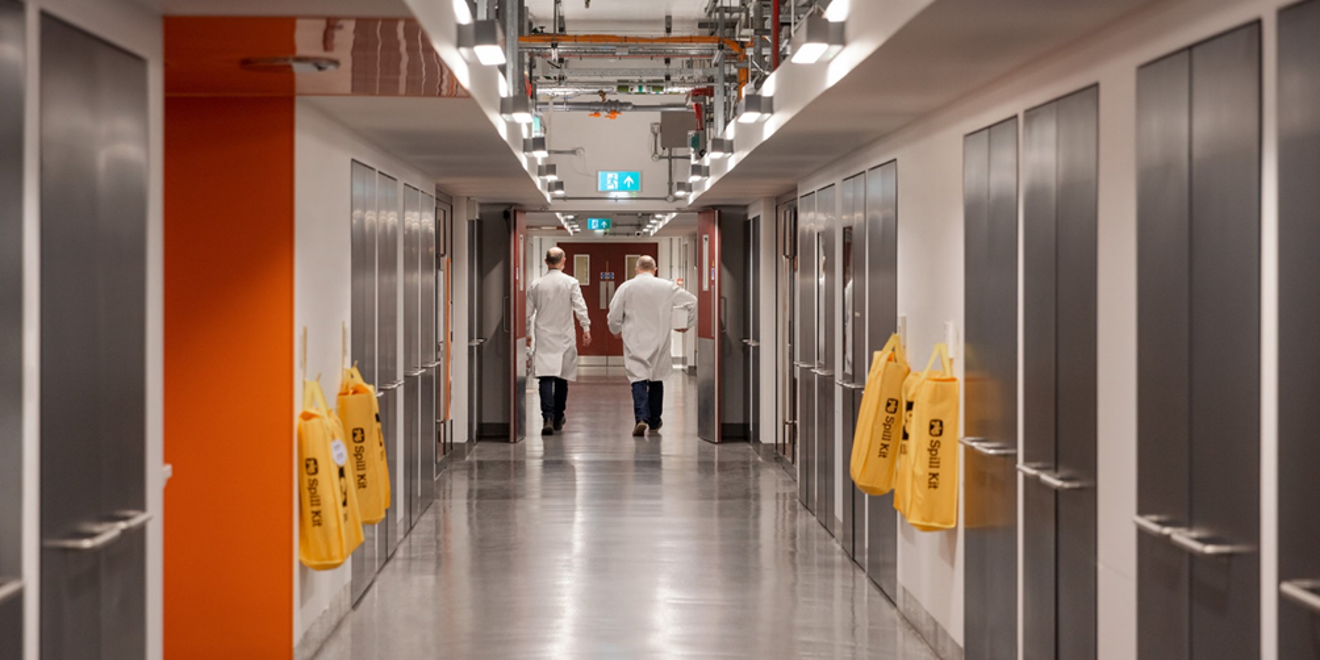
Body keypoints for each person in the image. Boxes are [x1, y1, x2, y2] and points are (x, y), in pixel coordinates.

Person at [607, 255, 698, 436]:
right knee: (656, 380)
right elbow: (692, 301)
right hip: (659, 340)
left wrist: (615, 329)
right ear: (654, 269)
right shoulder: (667, 287)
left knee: (638, 379)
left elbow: (614, 313)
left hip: (635, 340)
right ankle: (655, 421)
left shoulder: (626, 287)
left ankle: (641, 418)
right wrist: (687, 324)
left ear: (636, 269)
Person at [527, 247, 592, 435]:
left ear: (546, 261)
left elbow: (527, 312)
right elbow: (580, 306)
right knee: (562, 378)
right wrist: (585, 328)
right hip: (564, 336)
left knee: (545, 378)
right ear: (564, 261)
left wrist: (526, 334)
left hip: (544, 336)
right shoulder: (571, 282)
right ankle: (558, 417)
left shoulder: (536, 284)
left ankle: (547, 416)